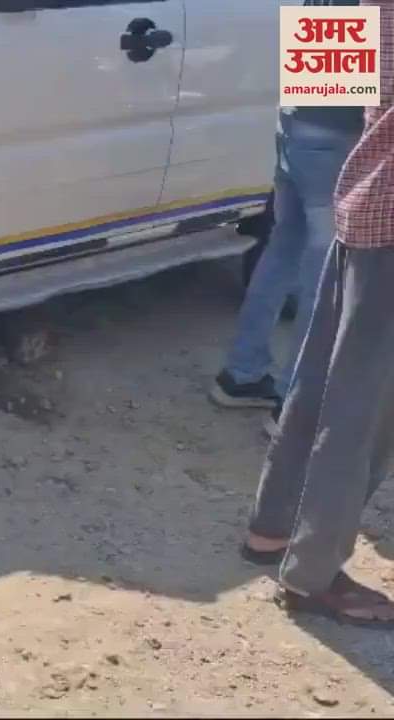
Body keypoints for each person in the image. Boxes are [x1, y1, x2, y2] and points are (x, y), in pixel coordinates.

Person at [243, 0, 394, 623]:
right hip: (355, 156)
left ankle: (242, 371)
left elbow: (322, 54)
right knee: (358, 391)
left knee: (314, 342)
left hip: (320, 133)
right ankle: (310, 567)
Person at [210, 0, 364, 439]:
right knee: (323, 272)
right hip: (336, 139)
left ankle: (241, 374)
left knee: (283, 249)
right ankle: (294, 405)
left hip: (296, 127)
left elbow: (326, 58)